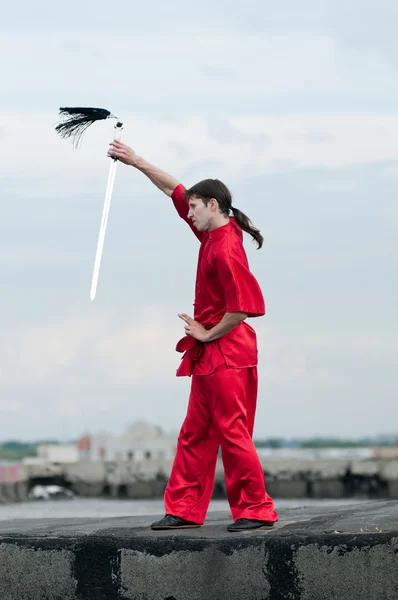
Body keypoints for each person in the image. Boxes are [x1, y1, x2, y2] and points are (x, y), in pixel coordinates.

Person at [108, 140, 278, 532]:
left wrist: (206, 332)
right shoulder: (211, 234)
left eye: (194, 208)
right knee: (195, 432)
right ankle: (184, 509)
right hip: (210, 353)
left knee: (232, 433)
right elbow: (174, 188)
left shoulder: (226, 249)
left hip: (228, 352)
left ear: (213, 205)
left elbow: (244, 307)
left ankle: (256, 510)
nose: (188, 213)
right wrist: (135, 160)